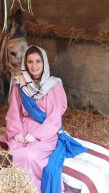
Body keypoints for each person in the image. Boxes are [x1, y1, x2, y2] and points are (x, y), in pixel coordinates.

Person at [5, 45, 88, 192]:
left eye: (38, 61)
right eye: (30, 62)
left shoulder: (54, 85)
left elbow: (54, 118)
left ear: (44, 63)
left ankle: (33, 188)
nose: (34, 66)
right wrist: (16, 131)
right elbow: (13, 112)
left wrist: (36, 136)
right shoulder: (19, 84)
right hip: (23, 127)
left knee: (30, 155)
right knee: (14, 153)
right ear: (25, 64)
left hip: (46, 130)